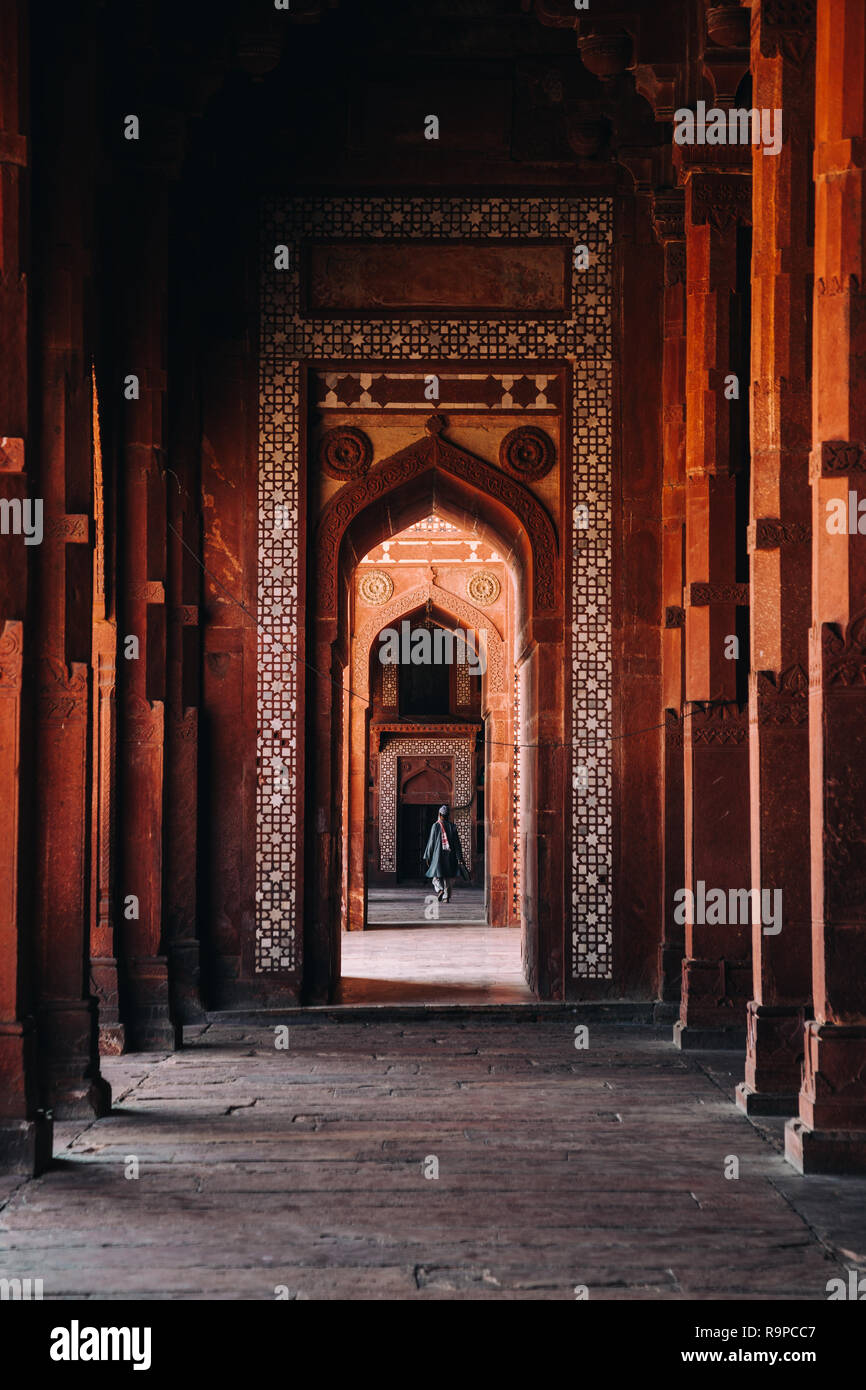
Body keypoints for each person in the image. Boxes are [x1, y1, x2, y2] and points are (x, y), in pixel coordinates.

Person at [423, 804, 465, 903]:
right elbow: (457, 844)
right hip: (450, 856)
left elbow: (431, 842)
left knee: (436, 877)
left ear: (440, 814)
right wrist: (460, 857)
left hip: (438, 856)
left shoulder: (435, 825)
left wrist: (428, 856)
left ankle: (440, 889)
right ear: (448, 815)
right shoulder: (452, 826)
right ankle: (446, 898)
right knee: (448, 878)